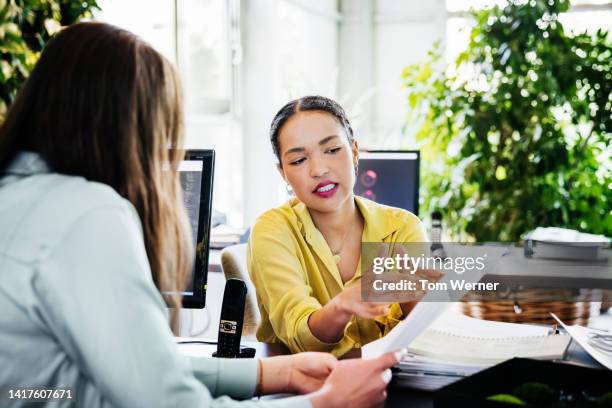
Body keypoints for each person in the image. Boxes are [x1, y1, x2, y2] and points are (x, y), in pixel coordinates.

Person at [0, 23, 402, 408]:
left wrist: (266, 374)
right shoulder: (87, 214)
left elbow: (138, 372)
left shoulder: (19, 195)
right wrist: (323, 404)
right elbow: (164, 401)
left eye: (331, 150)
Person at [248, 96, 438, 357]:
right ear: (283, 173)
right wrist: (342, 306)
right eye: (298, 160)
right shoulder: (272, 230)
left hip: (393, 383)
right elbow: (300, 340)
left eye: (332, 150)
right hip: (301, 390)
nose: (318, 169)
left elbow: (428, 337)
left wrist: (421, 303)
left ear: (355, 152)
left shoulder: (403, 227)